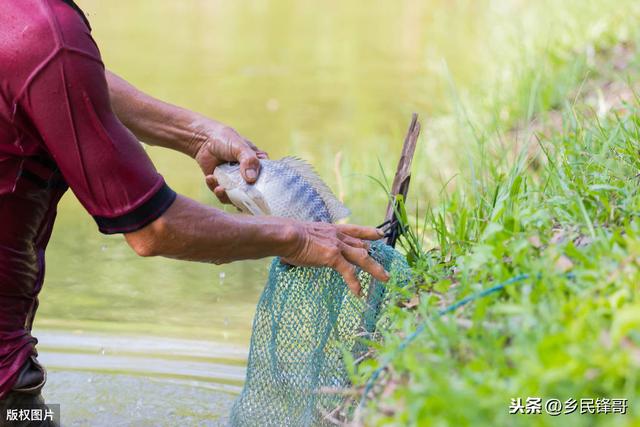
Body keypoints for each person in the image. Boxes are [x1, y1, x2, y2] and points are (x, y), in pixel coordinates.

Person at [0, 0, 389, 424]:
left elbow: (54, 76)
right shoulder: (45, 31)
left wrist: (195, 135)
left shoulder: (28, 27)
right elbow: (154, 228)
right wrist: (297, 237)